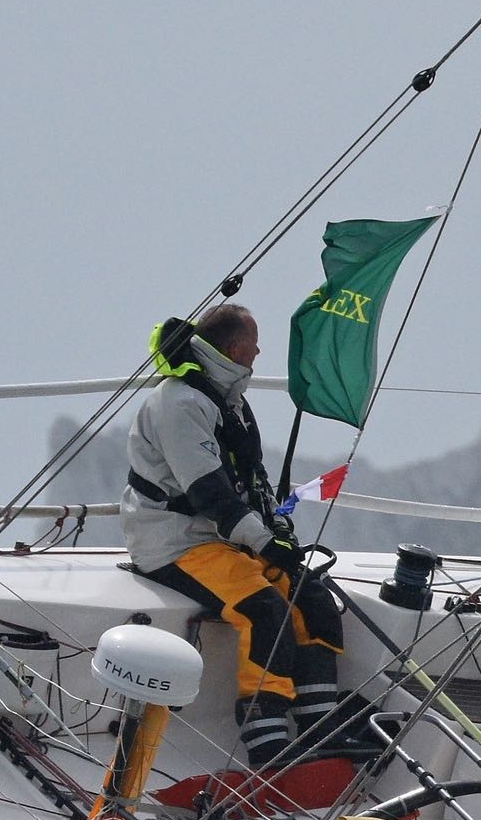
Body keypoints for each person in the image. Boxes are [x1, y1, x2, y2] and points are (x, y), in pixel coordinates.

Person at [122, 303, 363, 769]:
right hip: (173, 540)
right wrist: (264, 543)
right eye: (254, 343)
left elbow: (249, 481)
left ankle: (318, 724)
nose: (260, 351)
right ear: (234, 348)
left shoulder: (225, 398)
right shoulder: (178, 403)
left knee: (311, 596)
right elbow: (210, 492)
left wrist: (277, 531)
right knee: (264, 610)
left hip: (222, 538)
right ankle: (265, 735)